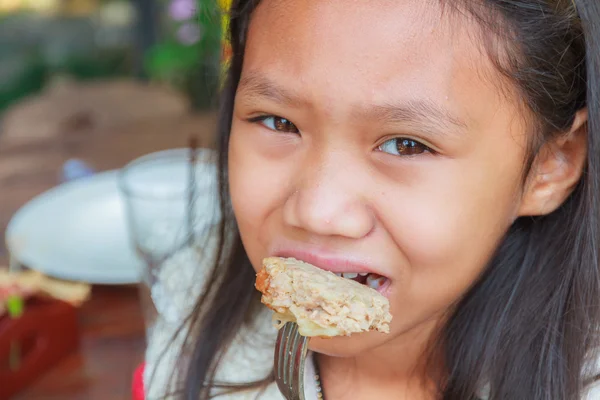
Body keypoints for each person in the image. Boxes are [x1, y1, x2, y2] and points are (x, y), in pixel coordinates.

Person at [143, 1, 600, 399]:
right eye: (278, 122)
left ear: (549, 167)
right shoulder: (186, 311)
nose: (316, 212)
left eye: (406, 145)